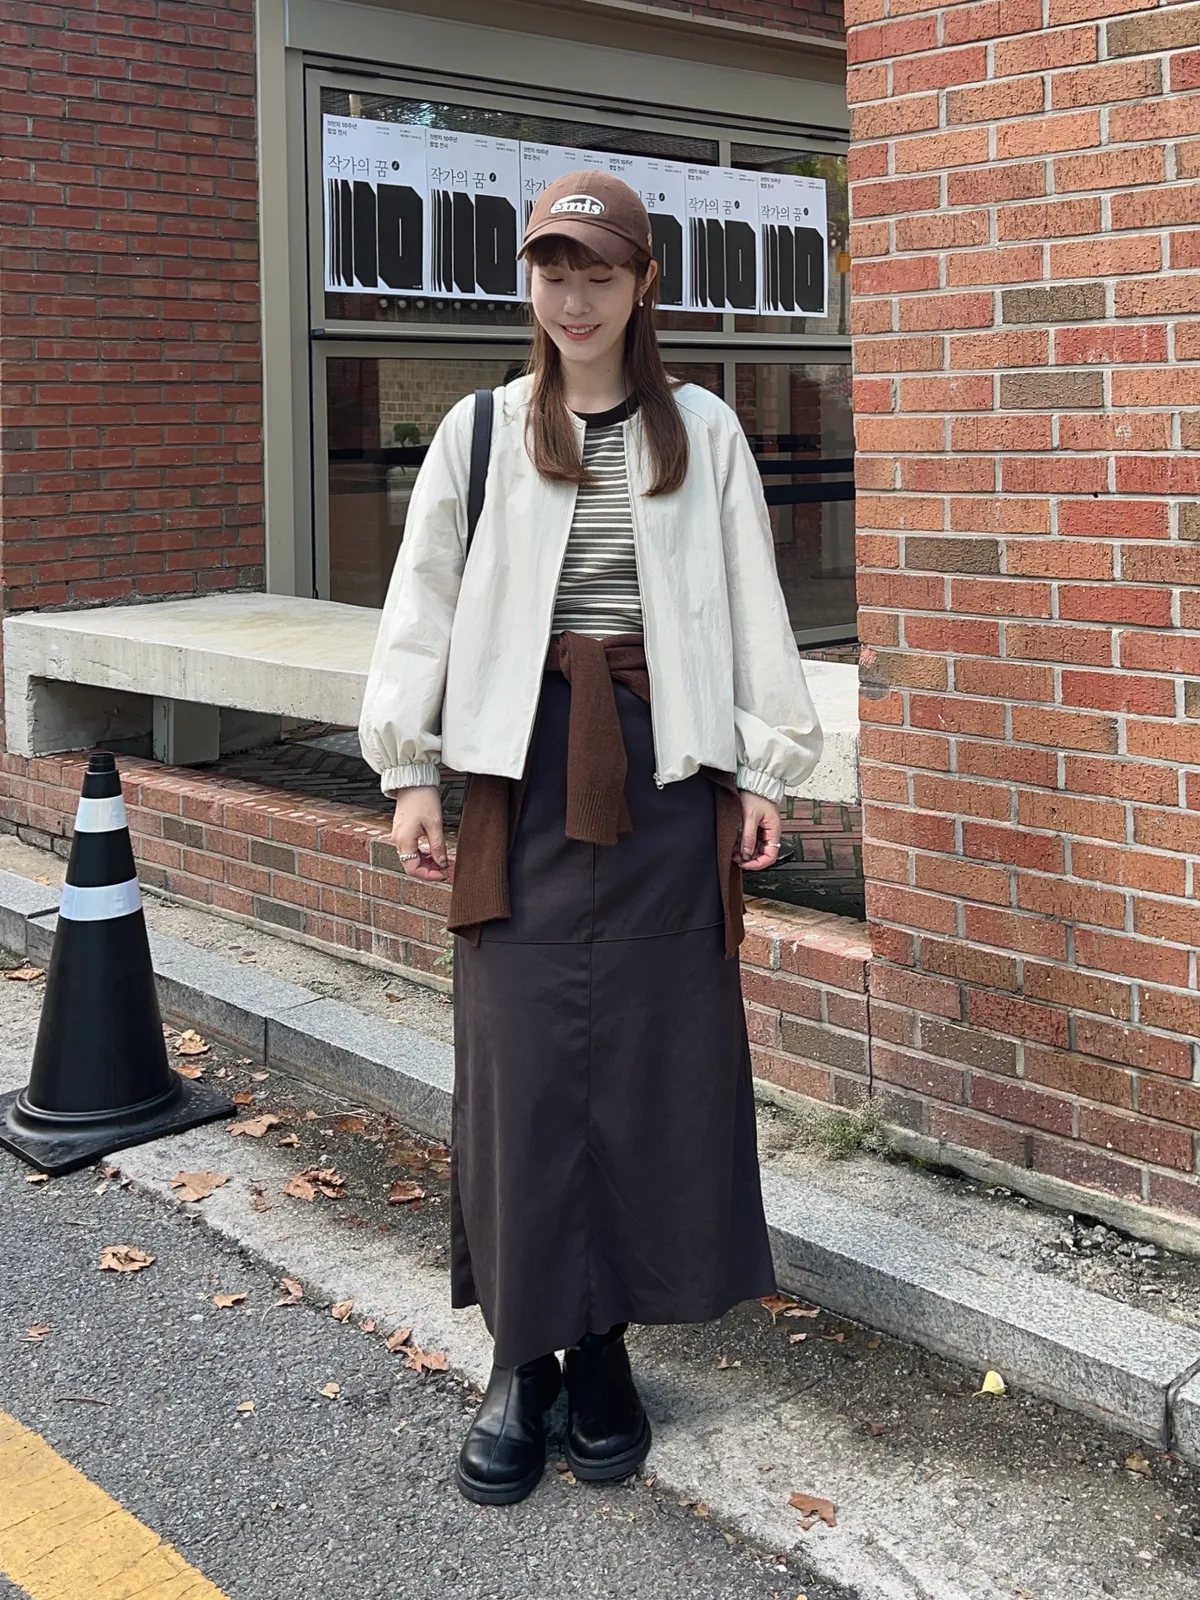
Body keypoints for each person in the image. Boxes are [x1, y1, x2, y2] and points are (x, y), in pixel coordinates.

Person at [359, 169, 822, 1507]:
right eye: (554, 272)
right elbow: (424, 600)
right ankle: (524, 1353)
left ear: (641, 285)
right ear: (531, 283)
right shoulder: (483, 432)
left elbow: (750, 600)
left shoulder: (703, 431)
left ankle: (604, 1343)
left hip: (667, 777)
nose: (575, 298)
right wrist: (409, 769)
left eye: (599, 273)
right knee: (521, 1068)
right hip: (520, 776)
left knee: (648, 1068)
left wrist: (765, 768)